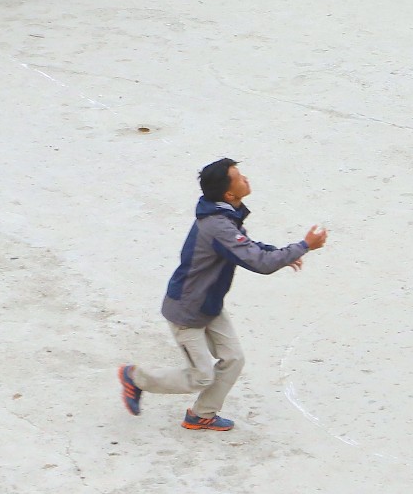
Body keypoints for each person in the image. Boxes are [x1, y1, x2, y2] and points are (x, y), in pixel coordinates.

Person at [118, 158, 328, 431]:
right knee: (201, 376)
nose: (246, 179)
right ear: (228, 193)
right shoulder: (218, 225)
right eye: (239, 178)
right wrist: (303, 246)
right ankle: (135, 378)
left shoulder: (226, 214)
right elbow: (259, 262)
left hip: (209, 304)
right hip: (187, 310)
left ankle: (202, 413)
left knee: (234, 359)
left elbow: (250, 248)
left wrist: (282, 254)